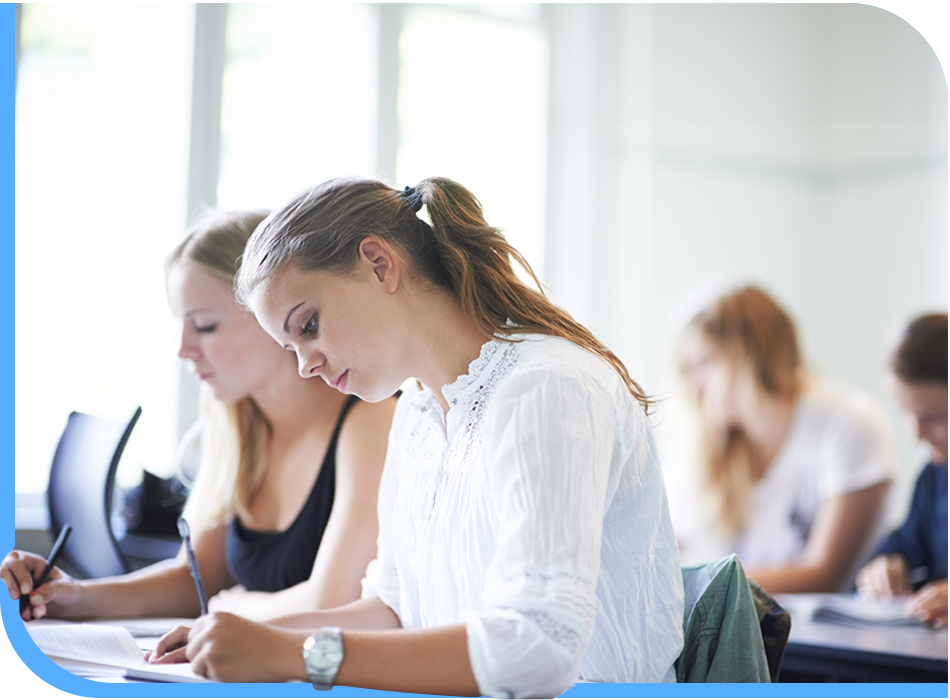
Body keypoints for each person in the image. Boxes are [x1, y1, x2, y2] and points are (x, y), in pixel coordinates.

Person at [146, 177, 684, 695]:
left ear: (379, 265)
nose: (306, 366)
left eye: (307, 326)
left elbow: (536, 647)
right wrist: (246, 636)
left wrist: (293, 654)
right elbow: (395, 610)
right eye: (290, 349)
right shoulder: (418, 416)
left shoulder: (544, 388)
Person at [2, 210, 397, 623]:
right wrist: (73, 595)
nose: (183, 348)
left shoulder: (370, 419)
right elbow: (196, 580)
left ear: (272, 315)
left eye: (205, 325)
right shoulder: (238, 426)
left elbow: (334, 600)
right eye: (181, 325)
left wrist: (235, 609)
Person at [667, 284, 897, 594]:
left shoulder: (848, 426)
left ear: (753, 355)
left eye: (706, 363)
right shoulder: (711, 451)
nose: (694, 388)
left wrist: (694, 582)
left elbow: (822, 576)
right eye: (688, 369)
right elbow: (665, 553)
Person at [856, 312, 948, 628]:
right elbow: (902, 547)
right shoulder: (934, 480)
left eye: (934, 416)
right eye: (907, 415)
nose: (917, 434)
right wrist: (882, 569)